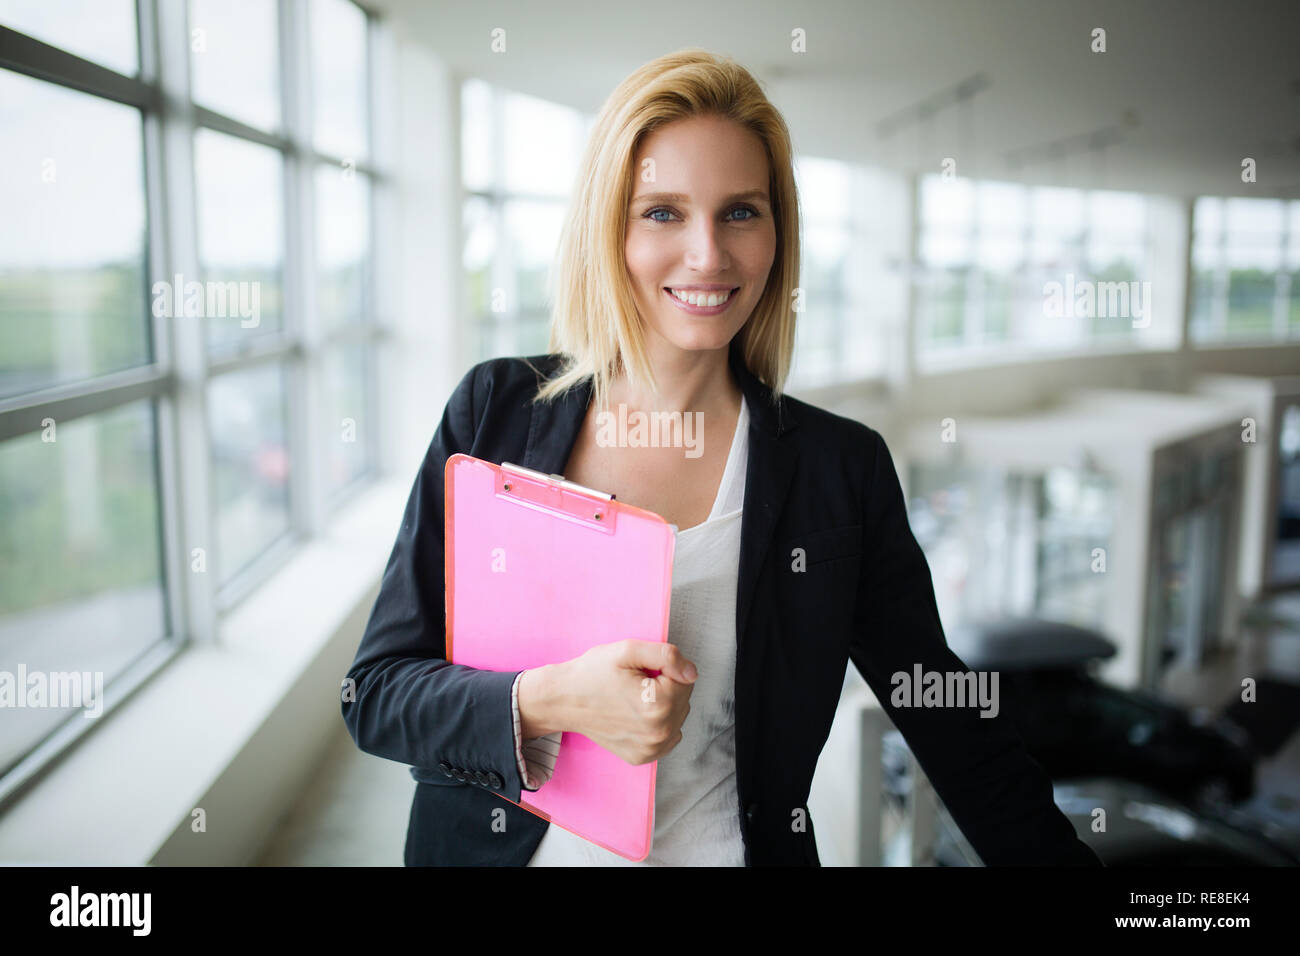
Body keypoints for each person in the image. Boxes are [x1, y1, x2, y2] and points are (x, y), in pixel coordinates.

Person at [341, 48, 1103, 867]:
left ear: (778, 233)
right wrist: (555, 700)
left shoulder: (837, 473)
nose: (708, 255)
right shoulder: (494, 413)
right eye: (662, 212)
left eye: (740, 211)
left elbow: (955, 728)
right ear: (610, 229)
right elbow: (378, 693)